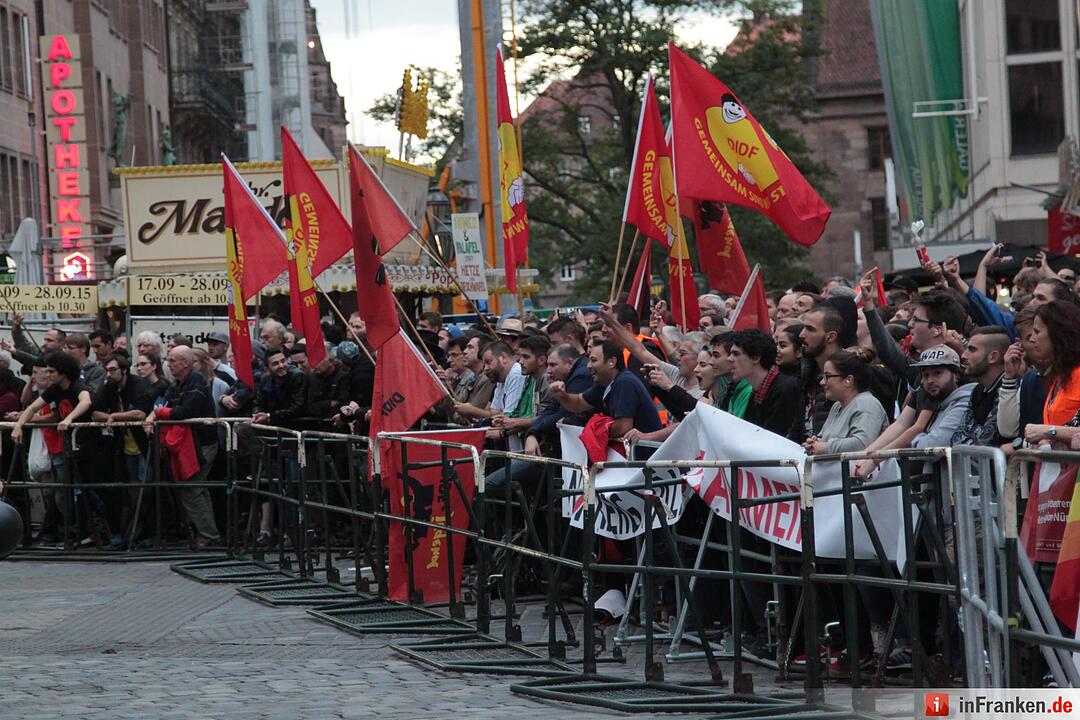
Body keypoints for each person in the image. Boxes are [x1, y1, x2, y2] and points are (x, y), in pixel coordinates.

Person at [12, 351, 99, 543]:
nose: (47, 375)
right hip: (72, 449)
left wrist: (69, 418)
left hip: (90, 446)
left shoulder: (78, 387)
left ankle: (92, 530)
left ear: (64, 372)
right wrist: (19, 425)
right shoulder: (55, 390)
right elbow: (32, 407)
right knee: (64, 493)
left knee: (91, 491)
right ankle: (76, 531)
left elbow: (86, 401)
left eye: (52, 371)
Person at [145, 346, 221, 548]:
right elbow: (164, 401)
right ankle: (209, 533)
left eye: (172, 360)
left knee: (191, 489)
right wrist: (154, 414)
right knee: (197, 488)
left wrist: (160, 414)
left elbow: (185, 411)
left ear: (185, 363)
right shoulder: (179, 383)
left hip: (201, 443)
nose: (168, 364)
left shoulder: (195, 381)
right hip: (192, 443)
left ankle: (209, 536)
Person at [91, 354, 155, 546]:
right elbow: (95, 413)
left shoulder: (138, 385)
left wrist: (115, 416)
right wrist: (112, 417)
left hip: (144, 445)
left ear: (124, 370)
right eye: (107, 370)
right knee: (129, 492)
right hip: (124, 447)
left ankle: (148, 534)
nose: (108, 374)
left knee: (146, 491)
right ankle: (130, 534)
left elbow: (140, 412)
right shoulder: (108, 387)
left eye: (112, 370)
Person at [548, 340, 662, 440]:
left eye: (593, 360)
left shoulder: (624, 382)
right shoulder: (604, 383)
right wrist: (561, 395)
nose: (588, 366)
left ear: (611, 362)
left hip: (645, 456)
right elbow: (578, 404)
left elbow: (623, 427)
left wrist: (594, 430)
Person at [803, 349, 888, 455]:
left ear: (848, 380)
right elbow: (825, 440)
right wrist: (815, 443)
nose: (822, 382)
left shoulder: (868, 404)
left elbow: (862, 444)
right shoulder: (836, 406)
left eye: (827, 376)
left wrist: (825, 447)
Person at [1022, 301, 1080, 448]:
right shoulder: (1059, 376)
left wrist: (1049, 432)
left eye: (1037, 332)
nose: (1032, 339)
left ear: (1057, 334)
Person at [725, 329, 801, 439]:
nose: (729, 359)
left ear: (756, 358)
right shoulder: (755, 391)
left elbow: (772, 437)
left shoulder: (785, 389)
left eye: (736, 354)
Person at [952, 326, 1009, 448]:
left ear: (993, 357)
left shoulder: (1008, 388)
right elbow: (956, 438)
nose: (964, 355)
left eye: (972, 350)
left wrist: (971, 437)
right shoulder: (977, 390)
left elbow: (986, 440)